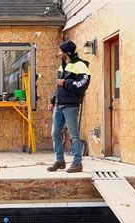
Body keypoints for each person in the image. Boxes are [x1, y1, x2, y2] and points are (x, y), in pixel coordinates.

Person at [46, 40, 91, 173]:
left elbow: (83, 84)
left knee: (74, 135)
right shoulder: (62, 67)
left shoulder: (80, 65)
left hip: (71, 105)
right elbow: (58, 87)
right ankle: (60, 161)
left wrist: (66, 82)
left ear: (67, 53)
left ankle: (77, 163)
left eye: (60, 51)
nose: (58, 53)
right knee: (55, 133)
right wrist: (53, 100)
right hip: (59, 105)